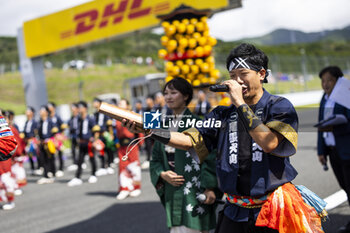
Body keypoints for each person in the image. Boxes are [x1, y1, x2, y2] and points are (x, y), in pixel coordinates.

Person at [123, 43, 325, 233]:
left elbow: (269, 143)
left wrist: (239, 103)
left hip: (272, 208)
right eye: (232, 75)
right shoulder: (221, 114)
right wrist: (152, 131)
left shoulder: (279, 106)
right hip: (234, 209)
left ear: (261, 74)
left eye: (243, 74)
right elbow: (189, 141)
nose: (237, 81)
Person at [150, 78, 221, 233]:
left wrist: (209, 187)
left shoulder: (198, 123)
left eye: (173, 93)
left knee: (194, 225)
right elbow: (155, 159)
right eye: (166, 93)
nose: (168, 97)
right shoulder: (162, 126)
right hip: (171, 186)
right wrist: (162, 174)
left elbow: (210, 157)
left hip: (194, 188)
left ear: (186, 96)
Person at [317, 66, 350, 233]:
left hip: (347, 150)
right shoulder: (325, 97)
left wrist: (335, 128)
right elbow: (321, 124)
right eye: (323, 80)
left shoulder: (345, 96)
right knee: (345, 186)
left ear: (339, 81)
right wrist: (320, 151)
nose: (325, 84)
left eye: (329, 80)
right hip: (332, 150)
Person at [115, 99, 142, 200]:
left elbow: (139, 130)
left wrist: (139, 143)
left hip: (132, 144)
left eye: (121, 103)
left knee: (134, 166)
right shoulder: (116, 117)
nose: (119, 105)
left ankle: (136, 187)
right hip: (121, 145)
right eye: (119, 103)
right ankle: (124, 188)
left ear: (127, 105)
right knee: (122, 167)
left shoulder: (132, 115)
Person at [68, 101, 97, 187]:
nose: (79, 109)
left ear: (85, 108)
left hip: (89, 143)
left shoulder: (90, 119)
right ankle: (77, 177)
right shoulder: (79, 119)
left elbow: (95, 130)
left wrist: (94, 140)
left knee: (92, 159)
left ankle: (93, 174)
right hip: (81, 142)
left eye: (81, 107)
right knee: (80, 160)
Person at [47, 102, 64, 176]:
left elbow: (62, 127)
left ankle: (60, 168)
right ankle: (52, 169)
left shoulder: (57, 117)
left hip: (58, 137)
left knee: (59, 153)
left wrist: (60, 136)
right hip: (51, 139)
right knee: (51, 153)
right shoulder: (48, 118)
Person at [23, 107, 39, 175]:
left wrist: (36, 140)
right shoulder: (26, 122)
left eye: (28, 111)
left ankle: (39, 167)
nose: (27, 113)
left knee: (36, 154)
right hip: (28, 141)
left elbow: (36, 131)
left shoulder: (35, 122)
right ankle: (32, 168)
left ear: (32, 113)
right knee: (30, 155)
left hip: (33, 140)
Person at [67, 103, 79, 171]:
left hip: (78, 135)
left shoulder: (79, 117)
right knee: (73, 148)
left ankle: (80, 162)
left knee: (80, 149)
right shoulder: (71, 118)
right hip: (73, 135)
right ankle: (75, 162)